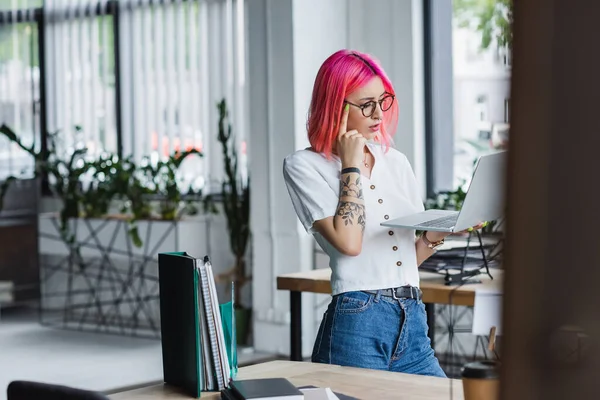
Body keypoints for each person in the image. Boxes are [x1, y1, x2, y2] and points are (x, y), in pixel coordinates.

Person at [282, 49, 485, 377]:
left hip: (412, 318)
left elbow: (402, 262)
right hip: (358, 320)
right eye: (366, 105)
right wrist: (351, 164)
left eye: (383, 100)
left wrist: (436, 233)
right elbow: (350, 244)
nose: (379, 114)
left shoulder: (396, 162)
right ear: (336, 107)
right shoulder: (303, 166)